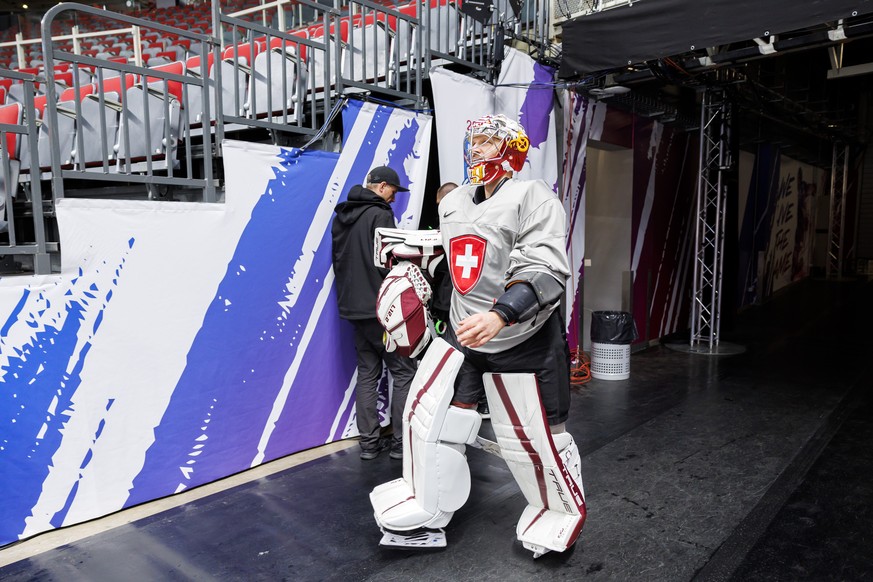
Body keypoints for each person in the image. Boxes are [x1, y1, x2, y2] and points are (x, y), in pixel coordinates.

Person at [438, 114, 572, 432]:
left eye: (488, 141)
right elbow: (454, 260)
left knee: (546, 441)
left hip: (523, 335)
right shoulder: (452, 202)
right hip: (467, 332)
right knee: (447, 429)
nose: (477, 149)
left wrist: (500, 315)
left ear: (512, 149)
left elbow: (545, 271)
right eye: (475, 141)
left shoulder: (533, 197)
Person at [331, 165, 417, 461]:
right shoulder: (380, 214)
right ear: (381, 186)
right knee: (404, 372)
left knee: (368, 374)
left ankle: (369, 444)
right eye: (393, 191)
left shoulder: (342, 215)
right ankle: (401, 444)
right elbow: (388, 262)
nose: (394, 198)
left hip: (352, 309)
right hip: (381, 309)